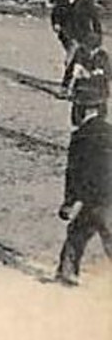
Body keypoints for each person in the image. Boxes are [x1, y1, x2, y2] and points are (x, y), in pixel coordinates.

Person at [55, 100, 112, 286]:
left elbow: (73, 172)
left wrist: (69, 202)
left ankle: (67, 275)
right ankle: (66, 273)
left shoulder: (80, 136)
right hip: (105, 195)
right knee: (79, 232)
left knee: (92, 233)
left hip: (96, 198)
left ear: (86, 110)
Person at [64, 31, 109, 128]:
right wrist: (66, 85)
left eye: (94, 49)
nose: (90, 51)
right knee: (77, 120)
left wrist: (94, 74)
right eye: (88, 47)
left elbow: (108, 73)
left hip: (98, 93)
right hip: (82, 93)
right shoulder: (80, 52)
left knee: (100, 119)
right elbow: (71, 70)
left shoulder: (103, 55)